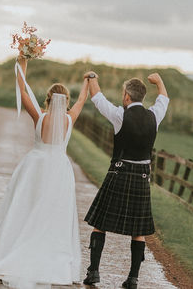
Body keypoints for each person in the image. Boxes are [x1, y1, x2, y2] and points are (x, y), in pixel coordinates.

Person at [0, 56, 90, 288]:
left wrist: (22, 66)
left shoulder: (39, 116)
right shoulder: (70, 118)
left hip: (35, 168)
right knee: (53, 215)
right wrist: (88, 80)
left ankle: (7, 255)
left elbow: (23, 93)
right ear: (65, 102)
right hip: (59, 171)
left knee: (23, 210)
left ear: (47, 100)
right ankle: (49, 260)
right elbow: (82, 100)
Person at [81, 71, 169, 288]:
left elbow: (98, 98)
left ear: (127, 97)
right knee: (138, 230)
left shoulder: (120, 115)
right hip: (141, 177)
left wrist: (93, 77)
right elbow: (164, 98)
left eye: (123, 94)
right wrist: (159, 81)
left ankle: (93, 272)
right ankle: (133, 278)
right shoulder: (154, 116)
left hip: (119, 173)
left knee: (100, 223)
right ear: (141, 97)